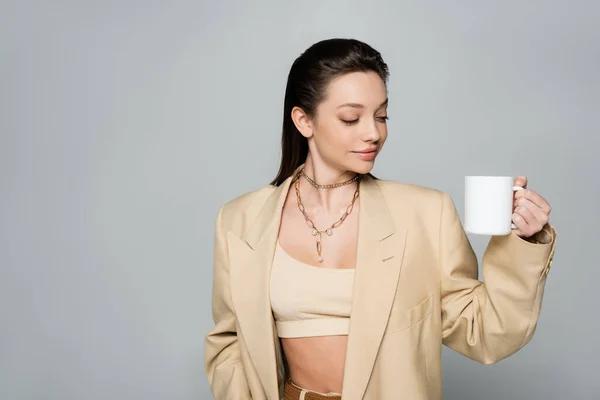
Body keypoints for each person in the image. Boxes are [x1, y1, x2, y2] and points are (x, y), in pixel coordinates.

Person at [204, 38, 557, 400]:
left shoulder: (425, 214)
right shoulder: (239, 220)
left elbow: (485, 332)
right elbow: (230, 340)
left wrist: (524, 242)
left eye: (382, 115)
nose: (374, 132)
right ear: (304, 120)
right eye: (350, 118)